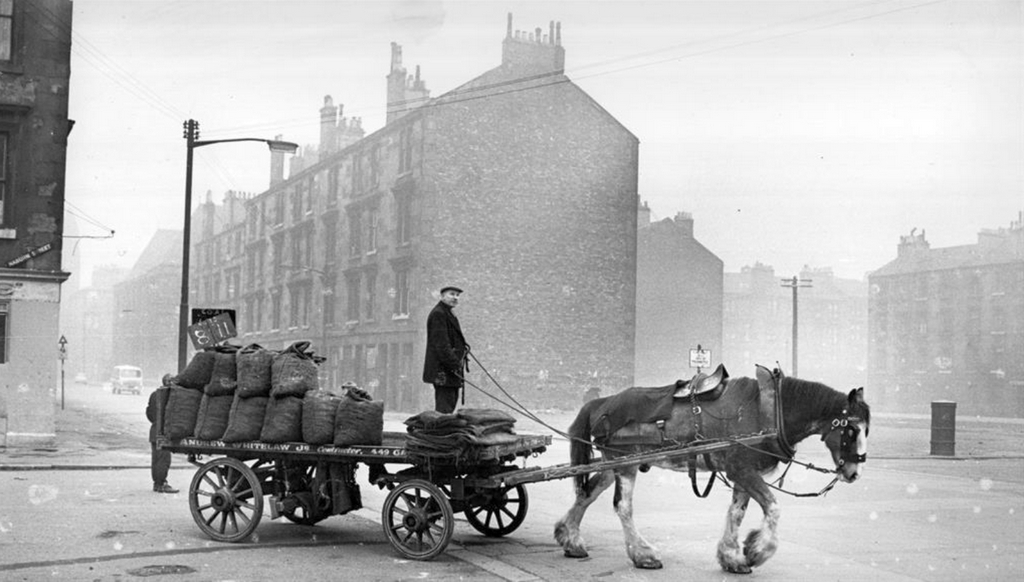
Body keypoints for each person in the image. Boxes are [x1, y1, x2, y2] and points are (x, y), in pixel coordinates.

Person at [422, 285, 469, 413]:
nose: (455, 298)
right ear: (442, 296)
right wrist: (454, 365)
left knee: (449, 405)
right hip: (443, 371)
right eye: (452, 294)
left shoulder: (448, 313)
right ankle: (439, 432)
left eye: (457, 295)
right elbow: (441, 345)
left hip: (449, 371)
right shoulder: (439, 314)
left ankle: (442, 431)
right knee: (444, 410)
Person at [147, 384, 178, 494]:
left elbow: (149, 413)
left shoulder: (155, 395)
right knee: (164, 459)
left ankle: (157, 483)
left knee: (156, 459)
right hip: (162, 434)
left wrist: (156, 422)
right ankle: (161, 484)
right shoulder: (169, 396)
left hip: (155, 431)